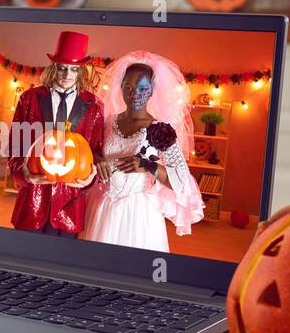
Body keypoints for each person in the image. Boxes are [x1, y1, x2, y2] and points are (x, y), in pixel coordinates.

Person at [82, 52, 204, 251]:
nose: (134, 94)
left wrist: (148, 165)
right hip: (103, 207)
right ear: (120, 87)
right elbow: (88, 152)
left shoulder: (161, 130)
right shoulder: (107, 121)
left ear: (152, 91)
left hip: (139, 214)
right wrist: (96, 158)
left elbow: (181, 182)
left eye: (142, 88)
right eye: (128, 87)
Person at [8, 31, 106, 237]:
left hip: (69, 205)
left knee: (57, 263)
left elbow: (96, 152)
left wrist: (90, 179)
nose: (67, 75)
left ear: (81, 71)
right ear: (54, 68)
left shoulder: (94, 106)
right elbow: (15, 145)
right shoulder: (29, 99)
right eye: (62, 68)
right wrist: (22, 173)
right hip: (32, 200)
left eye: (73, 69)